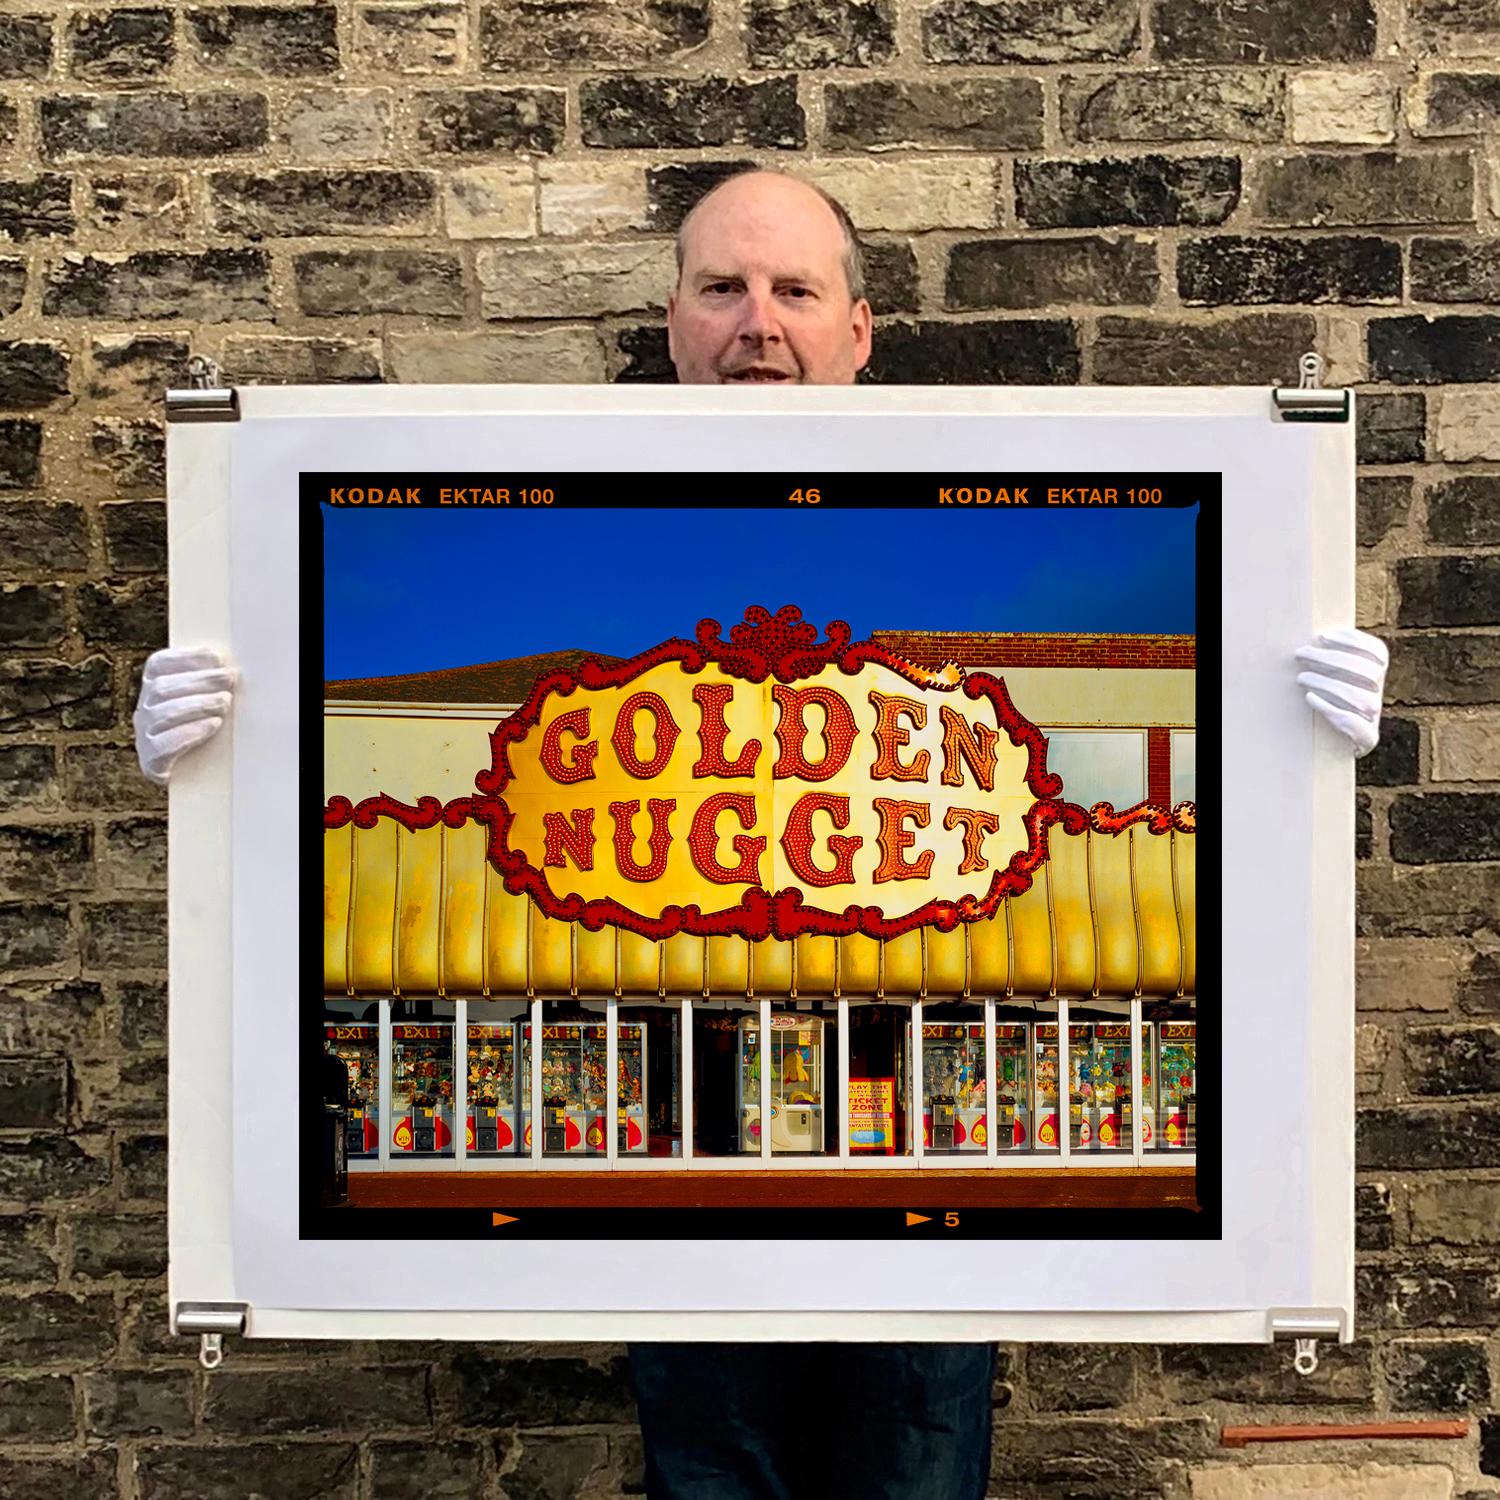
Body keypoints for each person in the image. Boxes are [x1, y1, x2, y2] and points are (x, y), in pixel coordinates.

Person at [136, 168, 1389, 1499]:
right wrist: (227, 765)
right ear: (671, 320)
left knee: (913, 1462)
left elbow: (1172, 737)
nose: (758, 323)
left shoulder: (989, 508)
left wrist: (1289, 742)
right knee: (712, 1461)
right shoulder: (568, 523)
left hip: (924, 1123)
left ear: (858, 329)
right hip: (679, 1104)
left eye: (795, 290)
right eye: (724, 288)